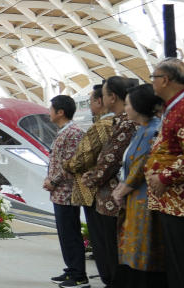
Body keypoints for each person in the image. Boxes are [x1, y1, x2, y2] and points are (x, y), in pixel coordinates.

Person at [143, 58, 184, 288]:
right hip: (174, 202)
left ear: (165, 80)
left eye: (153, 78)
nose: (152, 83)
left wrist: (163, 177)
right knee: (178, 265)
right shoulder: (176, 106)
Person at [80, 76, 137, 287]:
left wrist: (92, 176)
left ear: (112, 97)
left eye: (103, 95)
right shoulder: (119, 122)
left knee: (112, 249)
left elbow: (111, 160)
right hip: (108, 197)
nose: (101, 100)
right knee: (108, 248)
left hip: (113, 199)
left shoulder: (126, 124)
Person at [111, 84, 166, 288]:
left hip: (144, 199)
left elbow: (142, 165)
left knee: (143, 248)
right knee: (134, 247)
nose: (125, 108)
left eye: (127, 104)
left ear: (138, 105)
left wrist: (122, 190)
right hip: (135, 198)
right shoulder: (142, 129)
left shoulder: (152, 131)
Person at [65, 83, 116, 287]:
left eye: (91, 101)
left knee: (103, 242)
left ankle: (109, 280)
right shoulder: (120, 123)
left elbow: (82, 157)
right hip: (112, 192)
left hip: (96, 192)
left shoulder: (102, 126)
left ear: (100, 101)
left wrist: (66, 164)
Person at [44, 94, 88, 288]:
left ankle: (79, 275)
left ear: (60, 112)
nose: (49, 112)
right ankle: (71, 270)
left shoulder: (74, 133)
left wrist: (53, 181)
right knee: (65, 233)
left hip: (67, 192)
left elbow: (71, 163)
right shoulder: (64, 131)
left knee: (70, 233)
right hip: (60, 193)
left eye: (51, 108)